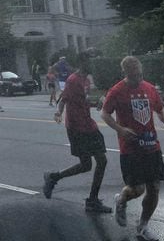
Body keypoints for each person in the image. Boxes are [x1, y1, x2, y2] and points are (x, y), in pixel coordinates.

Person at [102, 56, 164, 241]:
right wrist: (120, 129)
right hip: (131, 148)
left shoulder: (149, 88)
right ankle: (121, 200)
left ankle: (142, 227)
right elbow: (105, 113)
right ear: (125, 73)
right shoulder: (117, 91)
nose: (138, 79)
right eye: (134, 76)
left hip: (151, 145)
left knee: (154, 187)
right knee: (137, 189)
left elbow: (160, 107)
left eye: (140, 75)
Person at [44, 51, 112, 213]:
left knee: (100, 161)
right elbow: (64, 99)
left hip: (89, 125)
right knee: (87, 165)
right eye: (91, 61)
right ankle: (55, 178)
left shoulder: (86, 80)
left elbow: (84, 99)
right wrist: (59, 113)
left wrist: (98, 102)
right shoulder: (73, 80)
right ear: (83, 62)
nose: (94, 64)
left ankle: (90, 199)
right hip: (77, 128)